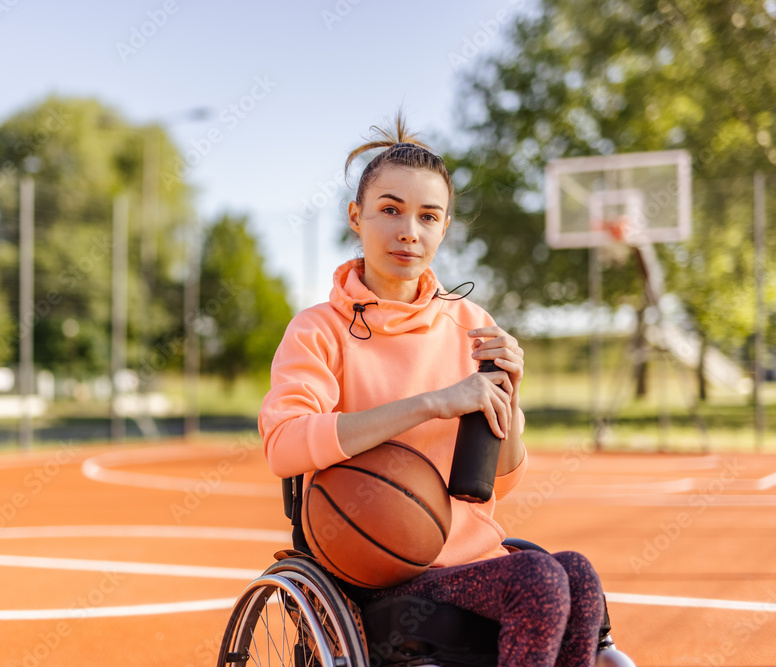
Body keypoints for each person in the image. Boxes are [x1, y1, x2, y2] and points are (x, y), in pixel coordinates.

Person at [258, 113, 606, 666]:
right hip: (378, 569)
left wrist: (508, 401)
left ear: (444, 229)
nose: (408, 232)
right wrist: (432, 403)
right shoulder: (317, 329)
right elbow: (285, 445)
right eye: (390, 210)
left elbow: (501, 483)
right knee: (539, 579)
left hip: (471, 560)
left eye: (427, 217)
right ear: (357, 216)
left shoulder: (472, 323)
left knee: (578, 575)